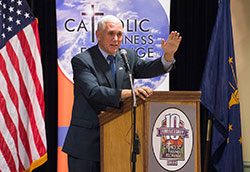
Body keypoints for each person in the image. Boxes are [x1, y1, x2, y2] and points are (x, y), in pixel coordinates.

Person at [62, 15, 182, 172]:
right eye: (111, 33)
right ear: (98, 35)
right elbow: (93, 91)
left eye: (119, 34)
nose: (116, 39)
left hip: (118, 142)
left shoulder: (127, 56)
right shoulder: (83, 60)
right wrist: (130, 93)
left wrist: (168, 56)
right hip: (86, 145)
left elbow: (148, 68)